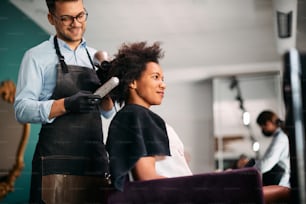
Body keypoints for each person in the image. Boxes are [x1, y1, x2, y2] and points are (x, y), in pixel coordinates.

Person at [14, 0, 114, 203]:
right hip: (55, 163)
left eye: (80, 16)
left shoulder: (96, 57)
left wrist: (107, 88)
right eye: (66, 18)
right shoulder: (36, 56)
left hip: (93, 162)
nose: (76, 23)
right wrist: (66, 104)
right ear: (51, 18)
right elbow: (21, 109)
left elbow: (107, 112)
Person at [105, 41, 192, 191]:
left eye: (162, 79)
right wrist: (195, 189)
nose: (163, 85)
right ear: (133, 82)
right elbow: (147, 177)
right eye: (155, 77)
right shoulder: (134, 115)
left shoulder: (140, 116)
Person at [254, 110, 290, 188]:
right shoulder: (280, 136)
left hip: (282, 183)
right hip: (281, 181)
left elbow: (267, 164)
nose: (263, 131)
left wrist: (252, 168)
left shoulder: (281, 138)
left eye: (262, 127)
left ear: (268, 123)